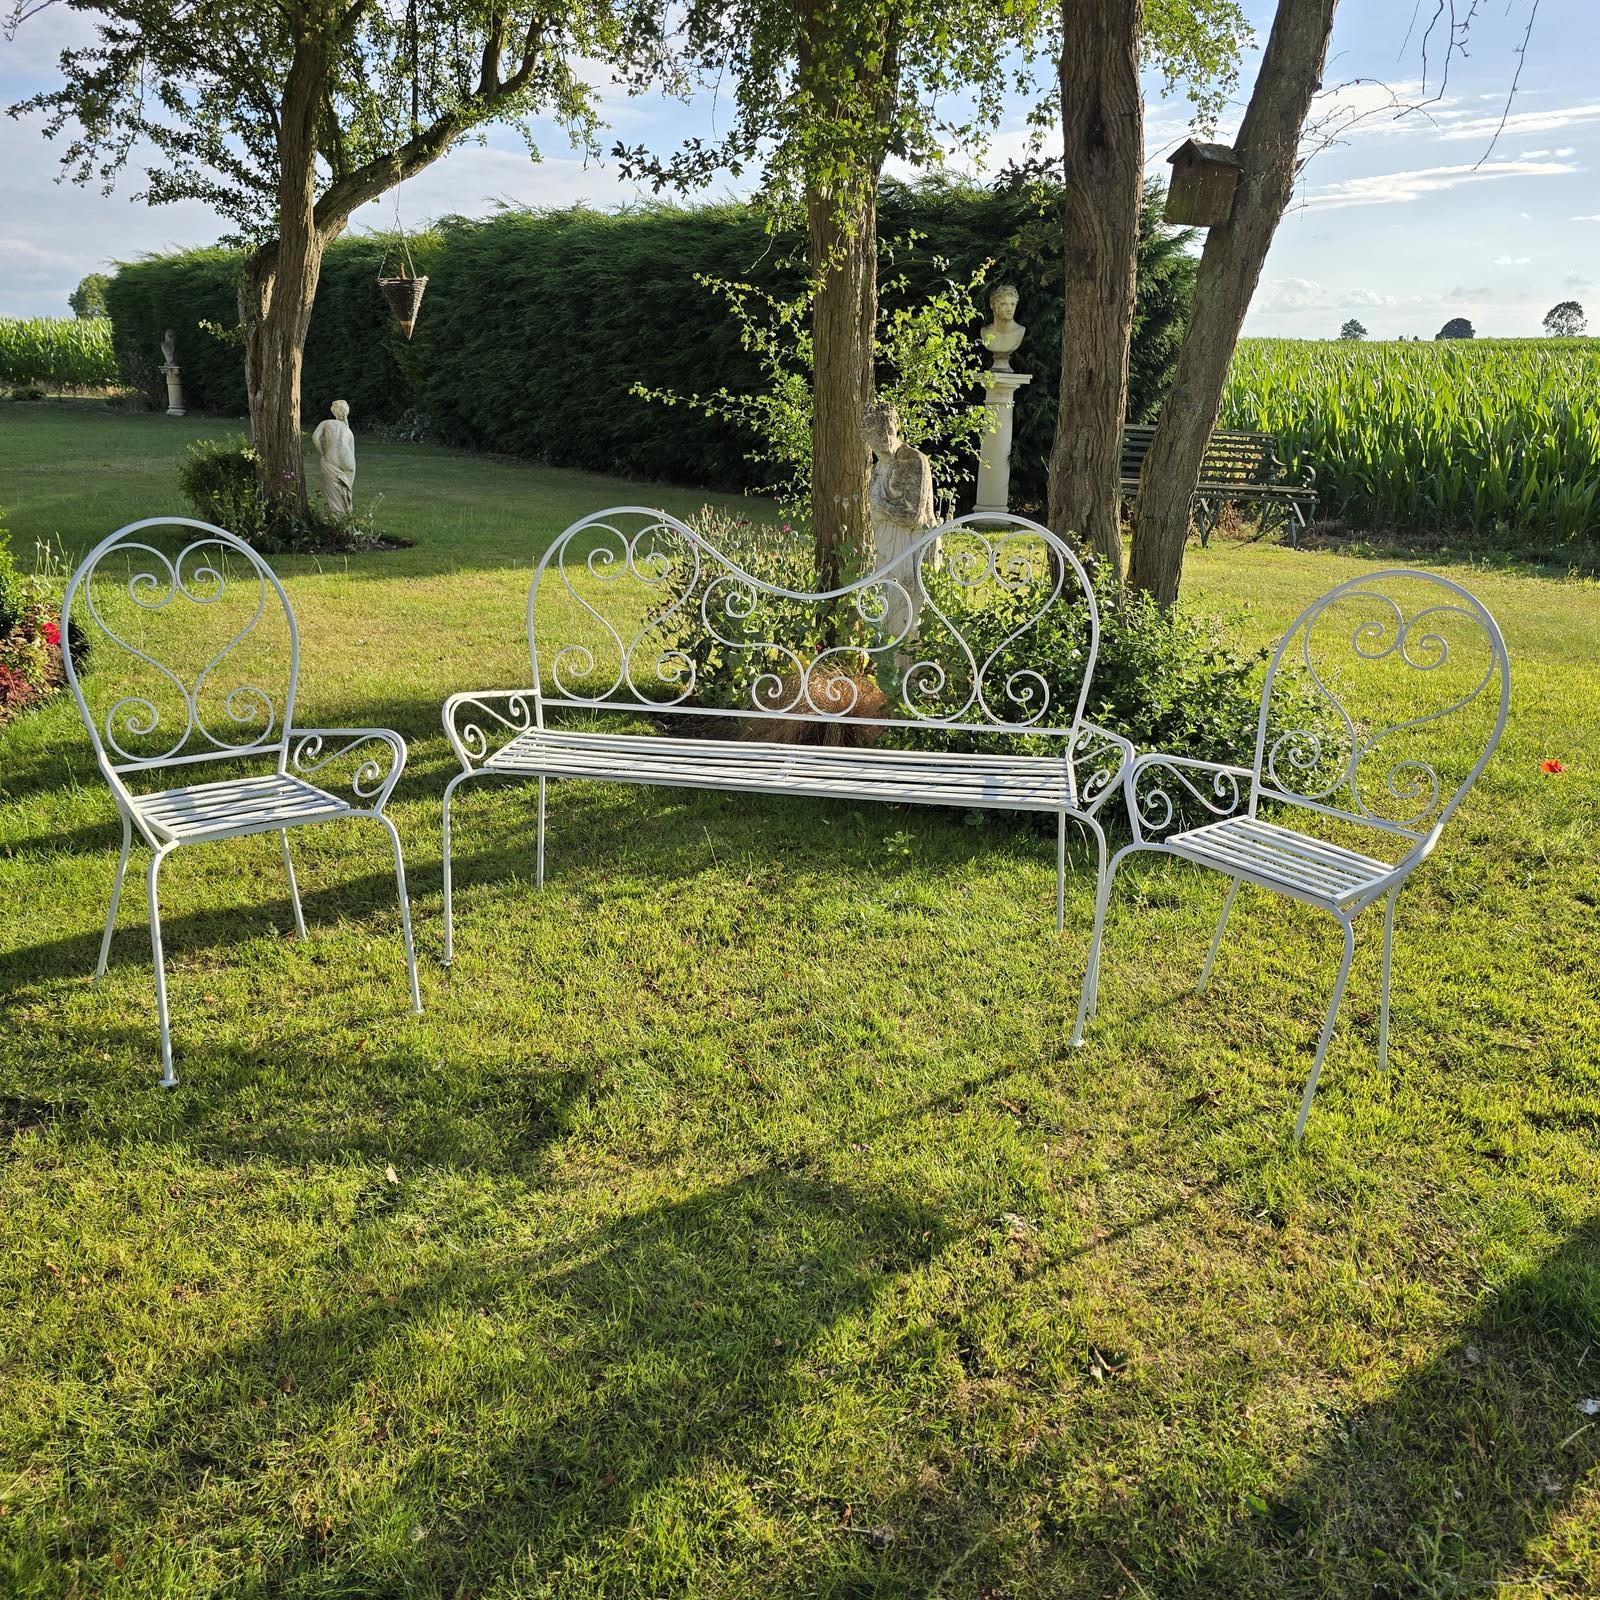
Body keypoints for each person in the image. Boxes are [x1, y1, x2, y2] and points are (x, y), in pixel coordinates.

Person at [312, 400, 356, 520]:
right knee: (346, 489)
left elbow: (315, 438)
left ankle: (337, 516)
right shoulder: (349, 431)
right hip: (348, 459)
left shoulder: (326, 423)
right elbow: (352, 452)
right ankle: (346, 516)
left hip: (332, 457)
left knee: (334, 490)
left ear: (333, 410)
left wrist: (323, 453)